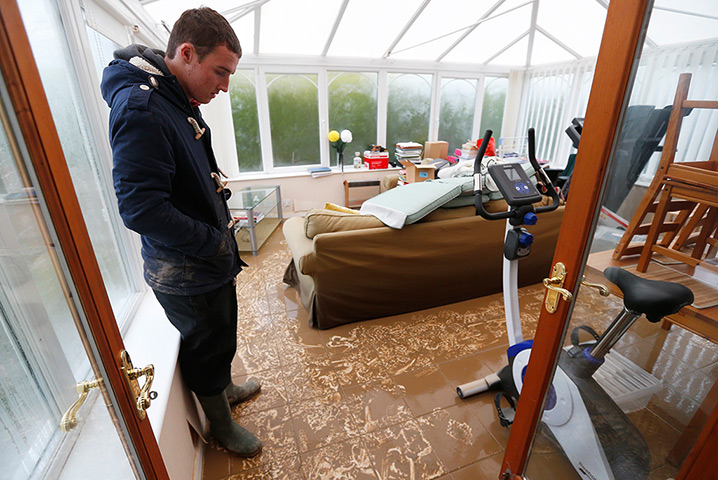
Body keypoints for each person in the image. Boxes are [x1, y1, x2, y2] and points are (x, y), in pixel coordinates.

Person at [101, 7, 262, 457]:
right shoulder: (143, 109)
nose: (224, 86)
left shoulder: (171, 95)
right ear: (187, 53)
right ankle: (221, 427)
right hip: (187, 267)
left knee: (221, 332)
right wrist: (211, 240)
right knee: (206, 345)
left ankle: (223, 390)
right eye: (220, 72)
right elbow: (141, 208)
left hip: (203, 259)